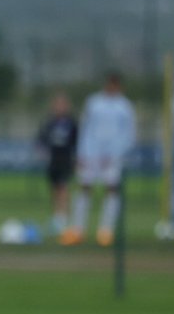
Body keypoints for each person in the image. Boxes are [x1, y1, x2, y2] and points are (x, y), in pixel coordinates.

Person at [60, 72, 136, 247]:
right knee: (84, 187)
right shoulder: (94, 102)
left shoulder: (125, 107)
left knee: (111, 189)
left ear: (119, 87)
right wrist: (81, 153)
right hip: (91, 154)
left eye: (115, 85)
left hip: (112, 157)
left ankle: (105, 231)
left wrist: (116, 154)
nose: (112, 87)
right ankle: (78, 230)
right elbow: (86, 129)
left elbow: (128, 135)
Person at [35, 92, 79, 236]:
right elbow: (41, 139)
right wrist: (42, 152)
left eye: (62, 105)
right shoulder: (50, 123)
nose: (59, 108)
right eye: (57, 105)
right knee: (54, 188)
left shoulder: (71, 123)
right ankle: (57, 217)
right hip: (53, 160)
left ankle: (63, 219)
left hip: (66, 159)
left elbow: (77, 141)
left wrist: (78, 158)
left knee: (63, 187)